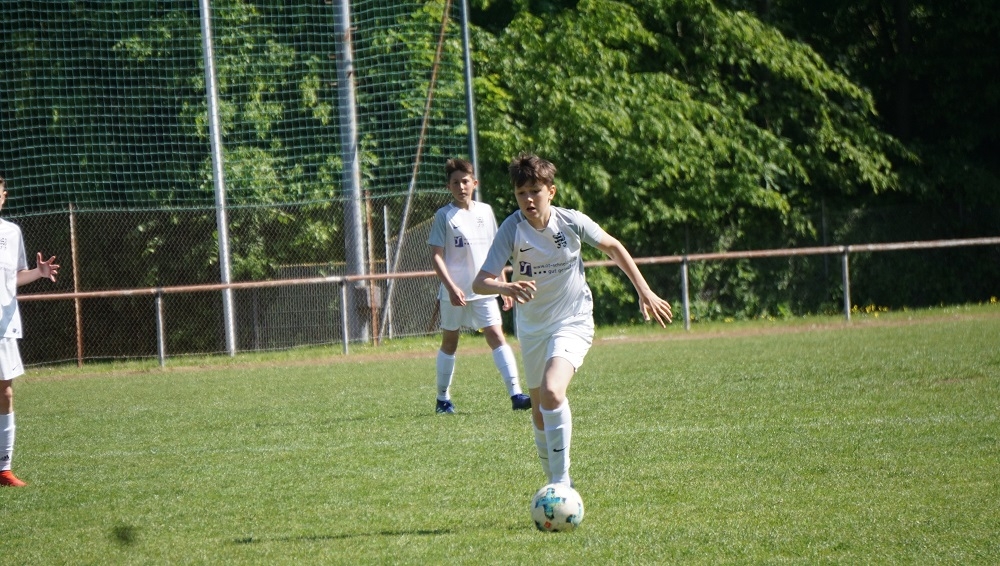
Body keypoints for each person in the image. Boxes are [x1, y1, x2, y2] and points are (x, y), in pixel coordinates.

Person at [472, 153, 672, 487]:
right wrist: (504, 286)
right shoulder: (512, 228)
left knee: (552, 390)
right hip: (532, 328)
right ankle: (554, 481)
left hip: (573, 320)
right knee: (539, 415)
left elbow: (613, 246)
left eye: (535, 191)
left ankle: (561, 483)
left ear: (551, 191)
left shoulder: (571, 221)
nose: (528, 199)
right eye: (521, 193)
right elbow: (480, 282)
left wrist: (644, 290)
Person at [427, 158, 531, 414]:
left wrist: (502, 285)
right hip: (455, 293)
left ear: (475, 183)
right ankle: (442, 399)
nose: (461, 186)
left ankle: (516, 394)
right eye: (455, 183)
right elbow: (436, 256)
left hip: (484, 289)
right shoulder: (444, 216)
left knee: (497, 336)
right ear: (448, 187)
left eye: (465, 181)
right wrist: (451, 288)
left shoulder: (485, 211)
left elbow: (497, 251)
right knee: (450, 342)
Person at [0, 176, 60, 487]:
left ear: (3, 196)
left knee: (5, 392)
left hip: (3, 324)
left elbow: (13, 278)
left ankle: (3, 468)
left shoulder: (12, 232)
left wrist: (38, 272)